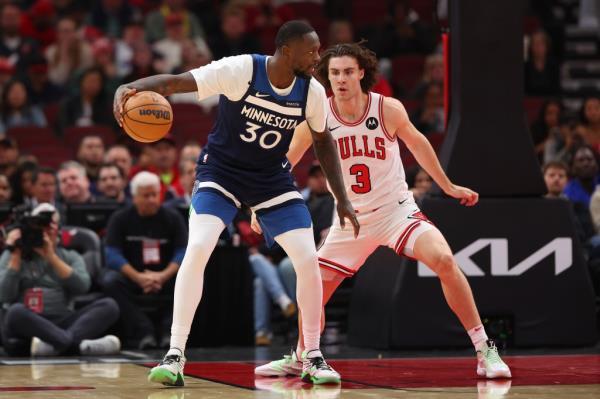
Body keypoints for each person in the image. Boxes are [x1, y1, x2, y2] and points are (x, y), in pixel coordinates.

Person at [113, 20, 358, 386]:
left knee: (308, 258)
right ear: (286, 50)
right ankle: (175, 353)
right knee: (198, 247)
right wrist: (129, 87)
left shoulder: (312, 92)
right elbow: (178, 82)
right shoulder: (241, 69)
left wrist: (342, 198)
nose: (316, 57)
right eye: (311, 50)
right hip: (221, 174)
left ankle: (313, 355)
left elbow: (323, 142)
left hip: (270, 179)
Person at [254, 42, 511, 380]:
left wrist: (447, 186)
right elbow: (284, 161)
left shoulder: (386, 109)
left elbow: (418, 144)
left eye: (347, 71)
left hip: (396, 212)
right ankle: (302, 355)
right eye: (334, 73)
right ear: (326, 77)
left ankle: (484, 350)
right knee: (312, 283)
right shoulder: (316, 116)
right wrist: (263, 204)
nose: (341, 79)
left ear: (361, 72)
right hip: (350, 222)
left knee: (445, 261)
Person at [0, 203, 121, 356]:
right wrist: (15, 255)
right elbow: (4, 295)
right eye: (40, 226)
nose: (45, 231)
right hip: (28, 324)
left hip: (63, 321)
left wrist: (52, 257)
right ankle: (76, 345)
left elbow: (82, 286)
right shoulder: (12, 255)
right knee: (14, 312)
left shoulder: (69, 256)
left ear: (58, 229)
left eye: (50, 226)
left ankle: (54, 345)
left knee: (109, 306)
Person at [101, 172, 187, 350]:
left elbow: (182, 251)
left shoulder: (173, 217)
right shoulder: (120, 218)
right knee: (109, 281)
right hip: (133, 275)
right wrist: (138, 277)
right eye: (146, 196)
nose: (152, 200)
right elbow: (112, 254)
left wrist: (163, 275)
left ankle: (167, 332)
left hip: (165, 275)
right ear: (135, 197)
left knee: (189, 280)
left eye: (155, 194)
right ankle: (144, 330)